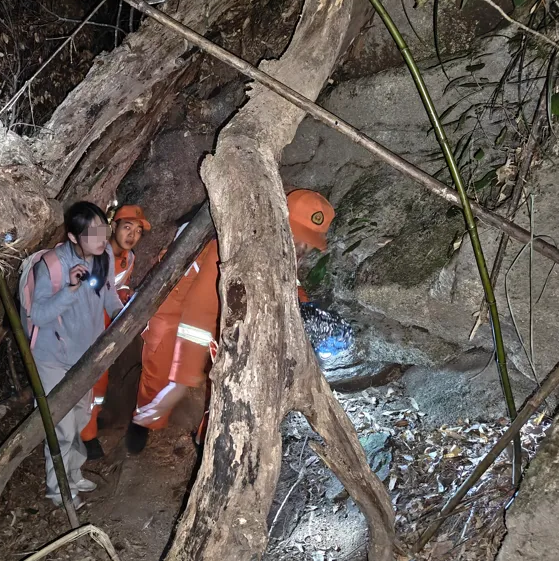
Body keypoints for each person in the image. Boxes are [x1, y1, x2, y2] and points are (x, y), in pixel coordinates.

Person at [126, 189, 335, 453]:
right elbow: (199, 314)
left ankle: (208, 438)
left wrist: (305, 309)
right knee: (161, 364)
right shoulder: (232, 243)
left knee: (230, 372)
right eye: (296, 237)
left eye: (307, 243)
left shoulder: (281, 250)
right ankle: (146, 419)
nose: (300, 248)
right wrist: (182, 379)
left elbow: (287, 283)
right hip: (178, 301)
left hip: (222, 308)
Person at [25, 201, 123, 509]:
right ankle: (58, 491)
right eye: (92, 234)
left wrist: (123, 316)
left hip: (85, 355)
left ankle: (73, 472)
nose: (101, 238)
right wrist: (69, 290)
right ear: (73, 237)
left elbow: (108, 294)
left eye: (103, 230)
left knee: (81, 417)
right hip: (52, 357)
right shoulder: (53, 266)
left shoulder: (104, 255)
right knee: (62, 427)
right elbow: (38, 315)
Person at [81, 204, 151, 460]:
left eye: (138, 231)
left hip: (104, 327)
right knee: (88, 380)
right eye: (127, 227)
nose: (132, 235)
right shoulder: (97, 254)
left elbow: (116, 288)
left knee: (100, 382)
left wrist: (124, 294)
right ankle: (85, 437)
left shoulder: (129, 258)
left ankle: (90, 422)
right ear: (113, 227)